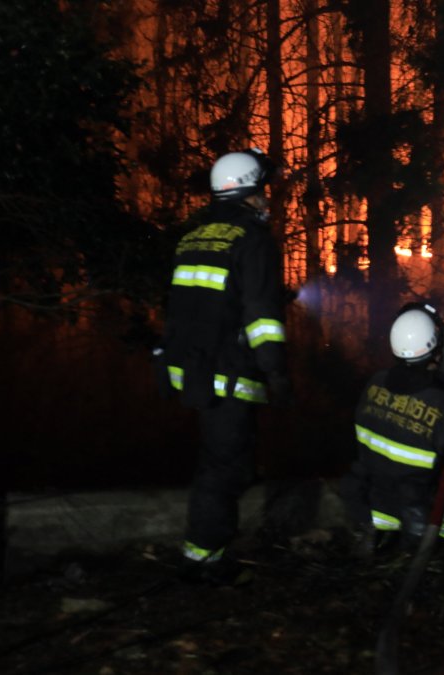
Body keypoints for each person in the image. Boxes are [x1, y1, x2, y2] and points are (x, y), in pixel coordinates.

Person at [153, 148, 291, 585]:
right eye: (262, 191)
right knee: (225, 466)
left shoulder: (191, 236)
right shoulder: (252, 240)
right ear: (249, 191)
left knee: (222, 458)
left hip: (190, 367)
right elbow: (261, 316)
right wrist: (277, 371)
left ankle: (205, 549)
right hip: (226, 372)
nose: (266, 200)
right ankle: (203, 558)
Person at [340, 302, 444, 558]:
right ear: (435, 350)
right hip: (416, 517)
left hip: (368, 502)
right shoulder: (442, 405)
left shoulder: (374, 384)